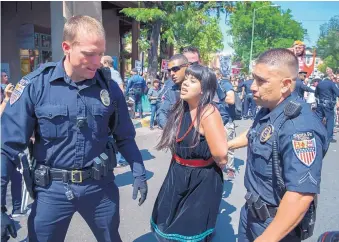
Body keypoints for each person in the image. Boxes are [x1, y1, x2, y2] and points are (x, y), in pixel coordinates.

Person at [1, 15, 148, 242]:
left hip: (99, 188)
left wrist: (138, 170)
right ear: (66, 47)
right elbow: (7, 147)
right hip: (52, 190)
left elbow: (125, 137)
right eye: (89, 54)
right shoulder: (35, 86)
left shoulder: (109, 88)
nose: (97, 61)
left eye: (100, 53)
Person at [228, 48, 328, 242]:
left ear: (285, 85)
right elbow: (255, 134)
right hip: (250, 215)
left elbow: (300, 195)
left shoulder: (299, 128)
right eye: (254, 79)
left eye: (261, 81)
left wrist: (266, 239)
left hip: (276, 227)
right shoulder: (269, 108)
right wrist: (226, 145)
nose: (253, 87)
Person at [151, 64, 228, 242]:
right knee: (168, 222)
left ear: (204, 89)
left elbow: (221, 155)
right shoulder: (182, 107)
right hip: (177, 173)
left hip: (200, 179)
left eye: (192, 81)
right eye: (186, 79)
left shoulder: (208, 111)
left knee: (189, 231)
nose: (185, 84)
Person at [215, 69, 237, 180]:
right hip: (215, 120)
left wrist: (219, 99)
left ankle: (231, 169)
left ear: (218, 76)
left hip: (227, 120)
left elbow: (231, 100)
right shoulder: (211, 87)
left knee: (229, 145)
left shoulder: (225, 84)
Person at [157, 54, 189, 128]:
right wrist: (170, 131)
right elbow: (162, 112)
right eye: (169, 70)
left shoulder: (201, 89)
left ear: (187, 67)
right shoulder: (170, 90)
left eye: (175, 69)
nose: (171, 73)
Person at [315, 76, 339, 143]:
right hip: (328, 105)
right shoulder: (331, 83)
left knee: (318, 120)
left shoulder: (319, 84)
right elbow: (337, 93)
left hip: (320, 104)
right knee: (330, 120)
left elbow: (315, 94)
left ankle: (316, 135)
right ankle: (329, 138)